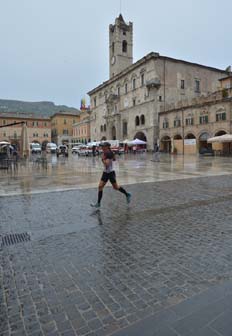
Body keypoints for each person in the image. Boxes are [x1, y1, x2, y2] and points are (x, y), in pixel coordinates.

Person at [91, 142, 131, 208]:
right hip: (105, 172)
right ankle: (98, 203)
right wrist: (112, 156)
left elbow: (107, 164)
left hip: (110, 173)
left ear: (107, 147)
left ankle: (127, 194)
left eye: (103, 146)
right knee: (100, 187)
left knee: (116, 187)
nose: (102, 147)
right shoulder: (108, 152)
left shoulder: (108, 153)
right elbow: (114, 159)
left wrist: (102, 159)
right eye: (102, 146)